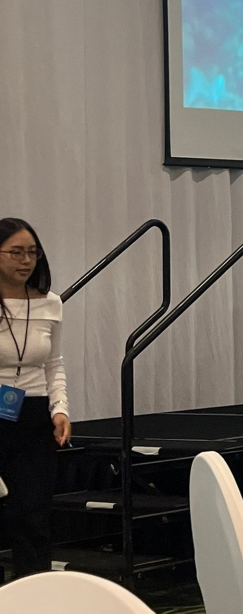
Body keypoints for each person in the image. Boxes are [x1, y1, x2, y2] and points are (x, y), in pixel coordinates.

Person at [0, 217, 70, 579]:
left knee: (33, 514)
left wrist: (60, 409)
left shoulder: (50, 303)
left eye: (32, 252)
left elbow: (54, 363)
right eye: (16, 252)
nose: (26, 260)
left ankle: (34, 591)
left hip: (33, 413)